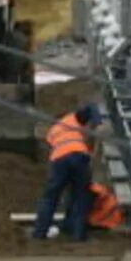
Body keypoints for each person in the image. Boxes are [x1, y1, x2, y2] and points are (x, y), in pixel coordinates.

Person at [31, 104, 101, 242]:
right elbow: (91, 106)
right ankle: (78, 235)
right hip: (78, 155)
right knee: (81, 196)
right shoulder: (70, 119)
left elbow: (58, 153)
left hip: (58, 161)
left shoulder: (51, 133)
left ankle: (39, 233)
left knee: (50, 197)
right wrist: (96, 122)